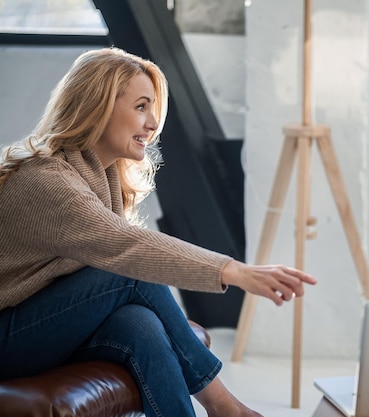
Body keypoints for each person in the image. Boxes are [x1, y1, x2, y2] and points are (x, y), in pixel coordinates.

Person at [0, 47, 316, 417]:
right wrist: (234, 271)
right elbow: (126, 247)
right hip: (8, 336)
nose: (153, 123)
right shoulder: (47, 181)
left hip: (39, 324)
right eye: (140, 107)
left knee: (142, 325)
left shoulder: (100, 175)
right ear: (96, 106)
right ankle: (228, 408)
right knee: (124, 273)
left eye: (153, 110)